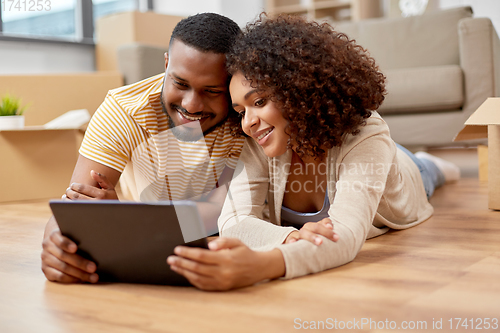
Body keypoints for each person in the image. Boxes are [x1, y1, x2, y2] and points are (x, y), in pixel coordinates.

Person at [166, 14, 460, 290]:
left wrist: (263, 264)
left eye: (259, 102)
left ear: (297, 88)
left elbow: (346, 235)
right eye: (240, 110)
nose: (248, 123)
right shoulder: (257, 137)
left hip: (401, 172)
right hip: (366, 157)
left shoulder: (366, 131)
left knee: (427, 173)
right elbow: (233, 223)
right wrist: (291, 237)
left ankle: (429, 161)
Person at [41, 13, 245, 284]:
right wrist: (56, 243)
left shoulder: (245, 115)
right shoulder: (123, 110)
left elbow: (224, 210)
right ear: (165, 65)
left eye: (211, 91)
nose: (192, 105)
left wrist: (124, 220)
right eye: (180, 84)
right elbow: (76, 205)